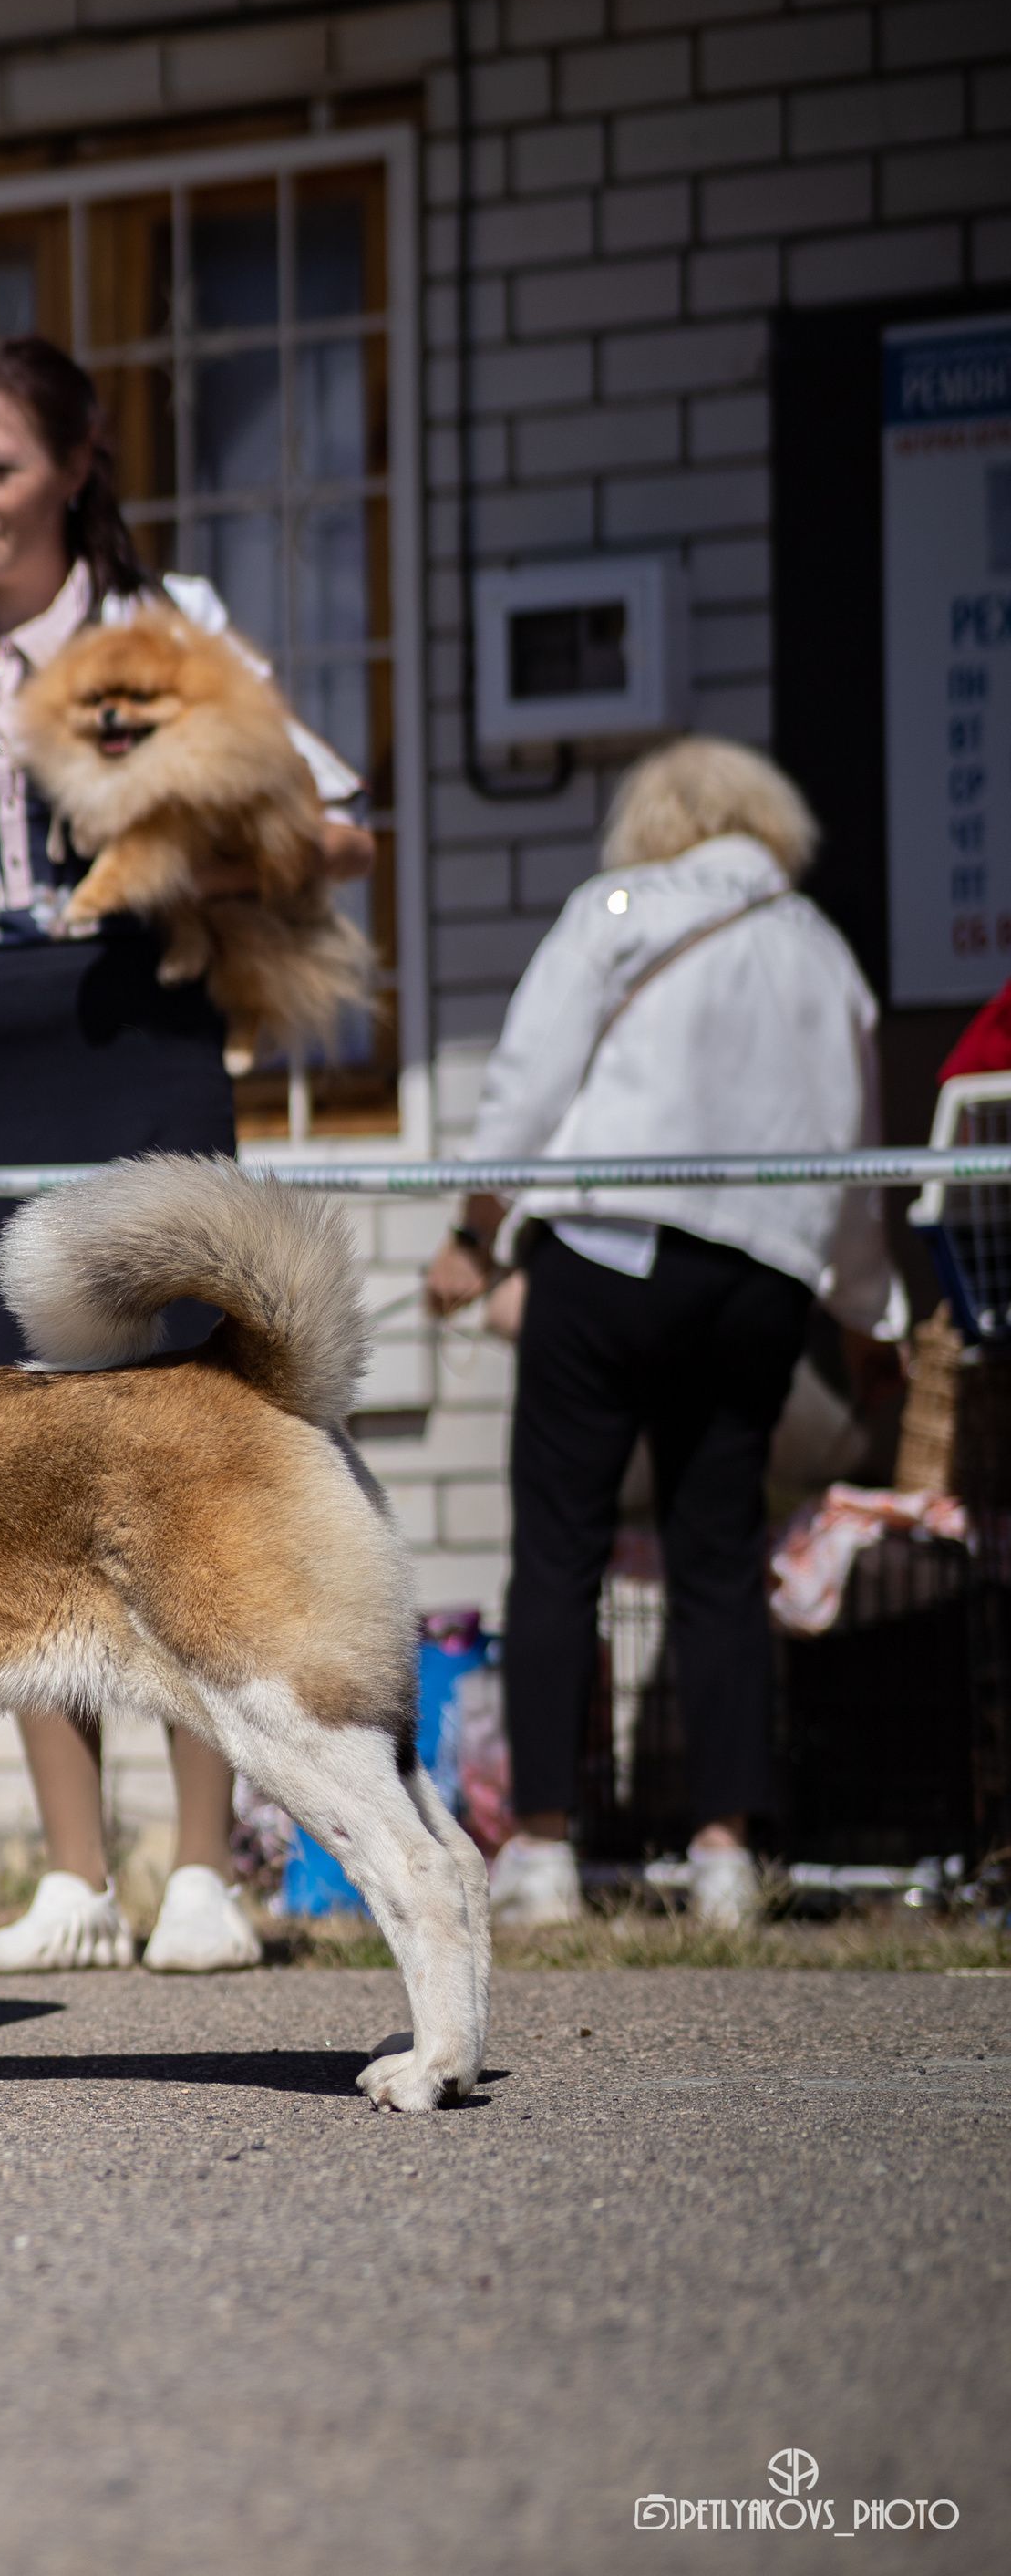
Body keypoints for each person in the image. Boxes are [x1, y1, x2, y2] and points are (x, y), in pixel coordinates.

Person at [0, 335, 376, 1976]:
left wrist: (214, 833)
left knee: (186, 1436)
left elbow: (337, 820)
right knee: (18, 1444)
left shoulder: (163, 626)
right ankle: (75, 1872)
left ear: (73, 466)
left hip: (139, 1029)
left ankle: (202, 1865)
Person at [422, 739, 904, 1929]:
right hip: (759, 1275)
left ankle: (541, 1848)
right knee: (718, 1555)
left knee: (561, 1546)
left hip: (609, 1248)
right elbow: (857, 1146)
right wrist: (869, 1309)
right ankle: (724, 1852)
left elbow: (527, 1084)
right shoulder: (824, 952)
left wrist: (476, 1232)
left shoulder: (619, 906)